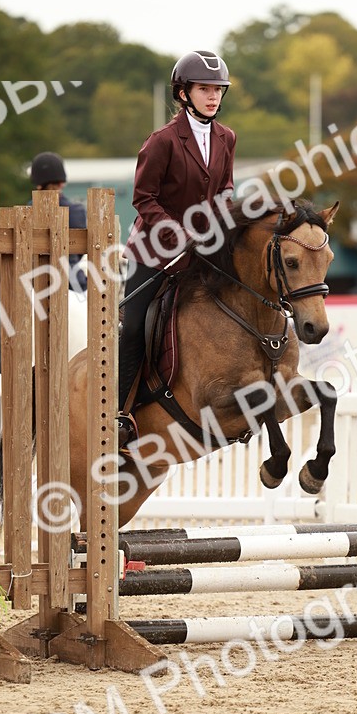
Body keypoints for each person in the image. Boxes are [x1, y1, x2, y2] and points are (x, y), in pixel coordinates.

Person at [117, 49, 237, 445]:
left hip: (203, 250)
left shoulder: (226, 138)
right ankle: (118, 411)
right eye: (204, 89)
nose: (213, 96)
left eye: (218, 89)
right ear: (183, 93)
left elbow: (225, 189)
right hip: (151, 252)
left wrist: (225, 221)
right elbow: (144, 198)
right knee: (133, 323)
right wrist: (179, 236)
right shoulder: (163, 141)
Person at [29, 152, 87, 292]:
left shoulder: (26, 212)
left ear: (37, 184)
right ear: (62, 182)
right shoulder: (76, 210)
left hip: (31, 283)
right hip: (71, 283)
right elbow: (80, 252)